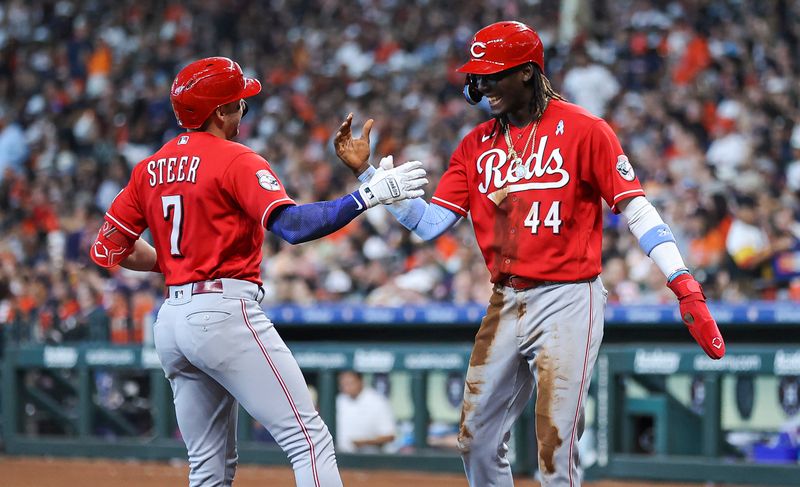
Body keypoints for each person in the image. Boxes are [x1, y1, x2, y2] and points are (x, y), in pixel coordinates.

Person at [335, 21, 726, 487]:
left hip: (569, 297)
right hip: (505, 299)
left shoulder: (585, 129)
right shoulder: (475, 144)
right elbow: (430, 224)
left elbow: (635, 208)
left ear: (526, 72)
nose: (481, 86)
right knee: (475, 438)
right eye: (477, 76)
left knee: (554, 445)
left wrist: (681, 281)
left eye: (492, 74)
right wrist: (371, 182)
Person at [89, 56, 426, 487]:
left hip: (172, 322)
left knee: (208, 469)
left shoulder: (149, 168)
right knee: (309, 440)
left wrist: (176, 263)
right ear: (218, 112)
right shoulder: (236, 159)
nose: (243, 110)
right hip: (223, 311)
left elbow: (109, 249)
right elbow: (293, 226)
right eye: (237, 103)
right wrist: (367, 196)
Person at [335, 371, 396, 453]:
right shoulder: (339, 400)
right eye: (343, 384)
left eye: (350, 383)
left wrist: (365, 442)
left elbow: (389, 436)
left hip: (371, 458)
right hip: (340, 456)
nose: (346, 387)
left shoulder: (377, 401)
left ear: (361, 382)